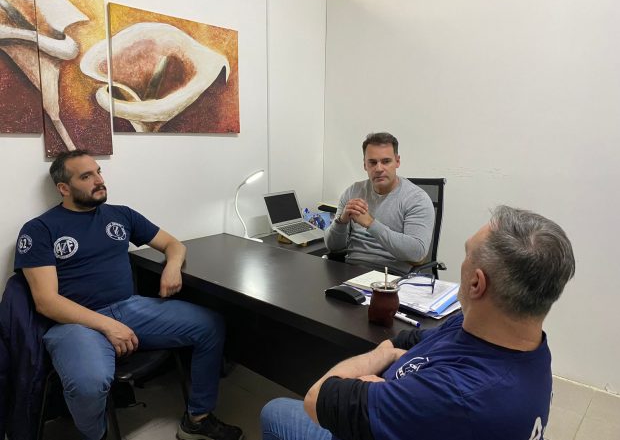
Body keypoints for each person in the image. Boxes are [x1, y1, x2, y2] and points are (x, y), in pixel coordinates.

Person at [261, 205, 575, 440]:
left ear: (477, 284)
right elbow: (411, 340)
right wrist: (392, 367)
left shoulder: (458, 397)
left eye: (467, 254)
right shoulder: (499, 335)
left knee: (274, 412)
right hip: (400, 412)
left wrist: (381, 363)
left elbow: (317, 398)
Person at [14, 150, 243, 440]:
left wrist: (172, 267)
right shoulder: (39, 229)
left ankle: (197, 419)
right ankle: (97, 435)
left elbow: (173, 244)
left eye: (98, 172)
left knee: (210, 325)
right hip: (76, 323)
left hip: (131, 308)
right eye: (86, 176)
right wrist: (108, 326)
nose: (99, 180)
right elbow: (46, 301)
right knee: (89, 384)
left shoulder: (120, 214)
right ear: (64, 188)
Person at [324, 132, 434, 275]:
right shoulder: (353, 192)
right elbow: (333, 247)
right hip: (352, 272)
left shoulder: (417, 199)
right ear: (365, 165)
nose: (379, 168)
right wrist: (341, 221)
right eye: (373, 162)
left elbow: (417, 253)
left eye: (386, 161)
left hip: (392, 277)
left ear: (397, 161)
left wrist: (371, 224)